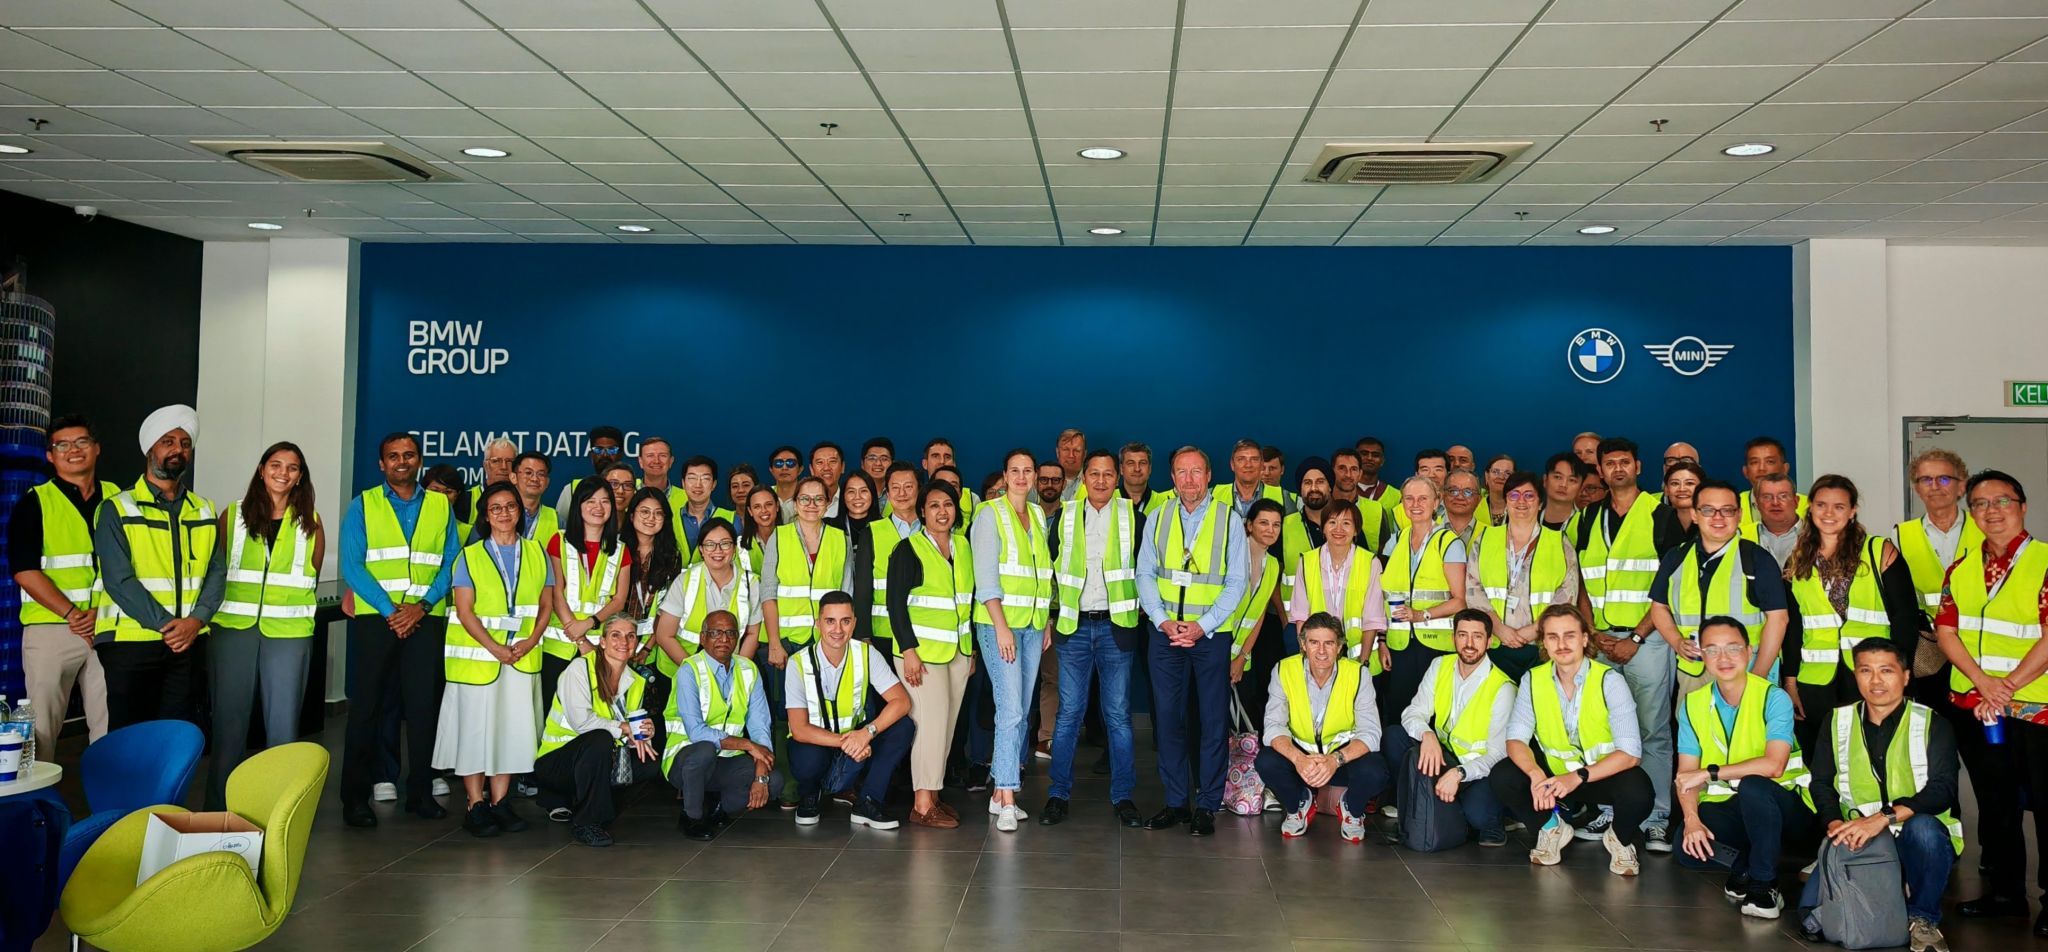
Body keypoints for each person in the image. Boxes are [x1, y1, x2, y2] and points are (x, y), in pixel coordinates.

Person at [1645, 478, 1791, 852]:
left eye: (1727, 510)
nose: (1718, 517)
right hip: (1695, 674)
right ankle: (1697, 822)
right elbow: (1658, 607)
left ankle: (1756, 829)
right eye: (1708, 510)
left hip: (1748, 673)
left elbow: (1778, 619)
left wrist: (1758, 676)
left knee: (1752, 750)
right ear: (1694, 514)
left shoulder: (1755, 559)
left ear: (1740, 515)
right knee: (1696, 747)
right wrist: (1675, 640)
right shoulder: (1677, 557)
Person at [1932, 469, 2048, 929]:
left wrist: (2006, 687)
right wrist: (1983, 683)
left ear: (2022, 506)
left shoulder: (2043, 561)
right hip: (1976, 707)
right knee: (1995, 803)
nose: (1991, 511)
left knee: (2046, 804)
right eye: (1980, 503)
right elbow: (1946, 632)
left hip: (2036, 709)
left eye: (2002, 501)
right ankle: (2005, 892)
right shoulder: (1961, 568)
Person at [1798, 638, 1960, 952]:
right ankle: (1892, 890)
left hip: (1912, 833)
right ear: (1855, 675)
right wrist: (1835, 825)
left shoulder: (1932, 723)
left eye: (1886, 670)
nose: (1875, 681)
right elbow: (1821, 783)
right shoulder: (1837, 721)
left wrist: (1883, 819)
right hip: (1858, 836)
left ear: (1906, 676)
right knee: (1812, 921)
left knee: (1925, 830)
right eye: (1865, 671)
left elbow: (1943, 790)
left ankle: (1923, 917)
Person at [338, 431, 459, 827]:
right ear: (382, 464)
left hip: (425, 617)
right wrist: (393, 610)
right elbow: (353, 565)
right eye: (393, 456)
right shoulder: (363, 504)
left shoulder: (439, 505)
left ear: (419, 460)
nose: (402, 461)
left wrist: (420, 608)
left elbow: (452, 561)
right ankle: (355, 799)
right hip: (378, 618)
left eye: (409, 455)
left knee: (424, 708)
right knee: (367, 709)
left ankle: (420, 793)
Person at [1490, 604, 1653, 876]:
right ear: (1543, 642)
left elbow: (1630, 754)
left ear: (1585, 639)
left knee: (1639, 792)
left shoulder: (1609, 681)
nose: (1562, 644)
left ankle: (1619, 839)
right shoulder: (1533, 679)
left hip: (1598, 776)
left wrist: (1577, 777)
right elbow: (1516, 739)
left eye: (1569, 635)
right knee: (1503, 775)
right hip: (1553, 776)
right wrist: (1535, 775)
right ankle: (1551, 828)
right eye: (1552, 636)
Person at [1137, 445, 1248, 837]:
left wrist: (1203, 625)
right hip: (1166, 634)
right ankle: (1175, 802)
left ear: (1209, 476)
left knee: (1213, 721)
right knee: (1168, 720)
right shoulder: (1158, 516)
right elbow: (1144, 574)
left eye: (1196, 471)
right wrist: (1163, 621)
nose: (1189, 479)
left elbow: (1237, 581)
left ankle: (1207, 805)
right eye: (1181, 472)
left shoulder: (1229, 519)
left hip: (1210, 636)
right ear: (1172, 478)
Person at [207, 441, 324, 810]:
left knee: (283, 728)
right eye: (275, 464)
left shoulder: (311, 521)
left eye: (292, 467)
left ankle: (278, 812)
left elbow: (312, 575)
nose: (283, 473)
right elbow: (215, 571)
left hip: (289, 633)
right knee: (228, 725)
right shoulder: (232, 515)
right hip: (233, 630)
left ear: (300, 476)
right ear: (261, 470)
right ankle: (219, 811)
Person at [1673, 617, 1813, 921]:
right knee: (1686, 846)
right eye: (1712, 650)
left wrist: (1709, 773)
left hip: (1787, 808)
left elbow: (1775, 765)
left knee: (1753, 786)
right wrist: (1692, 820)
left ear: (1749, 651)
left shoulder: (1773, 697)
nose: (1723, 658)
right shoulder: (1693, 704)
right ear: (1702, 655)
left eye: (1733, 648)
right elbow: (1685, 777)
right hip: (1736, 807)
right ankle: (1749, 861)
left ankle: (1764, 885)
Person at [93, 405, 223, 730]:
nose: (178, 449)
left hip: (189, 643)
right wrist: (168, 625)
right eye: (168, 441)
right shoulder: (117, 508)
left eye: (185, 443)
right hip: (130, 643)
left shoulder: (204, 509)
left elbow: (217, 572)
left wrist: (196, 621)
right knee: (130, 738)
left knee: (176, 736)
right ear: (150, 449)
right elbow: (118, 580)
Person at [439, 480, 554, 838]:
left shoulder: (537, 553)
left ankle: (501, 801)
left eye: (510, 506)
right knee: (475, 732)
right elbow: (465, 610)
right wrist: (494, 647)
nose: (504, 513)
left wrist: (531, 640)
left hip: (521, 658)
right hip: (478, 662)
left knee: (510, 730)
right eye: (496, 508)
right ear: (486, 516)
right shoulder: (470, 556)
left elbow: (546, 604)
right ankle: (475, 804)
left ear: (520, 511)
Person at [1042, 449, 1145, 827]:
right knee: (1069, 714)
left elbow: (1145, 570)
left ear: (1117, 479)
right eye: (1094, 474)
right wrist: (1049, 617)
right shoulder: (1065, 516)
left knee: (1118, 715)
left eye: (1108, 474)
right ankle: (1057, 795)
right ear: (1083, 478)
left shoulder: (1134, 517)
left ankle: (1123, 796)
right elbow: (1049, 571)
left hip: (1117, 626)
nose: (1101, 480)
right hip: (1074, 627)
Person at [1783, 474, 1922, 752]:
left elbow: (1905, 617)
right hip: (1815, 679)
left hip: (1873, 675)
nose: (1829, 513)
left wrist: (1901, 673)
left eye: (1839, 506)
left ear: (1852, 511)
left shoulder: (1879, 551)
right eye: (1821, 505)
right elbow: (1793, 627)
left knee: (1873, 752)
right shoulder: (1797, 560)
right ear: (1810, 508)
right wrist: (1790, 681)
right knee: (1822, 754)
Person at [1579, 437, 1672, 851]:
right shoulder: (1588, 516)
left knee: (1651, 731)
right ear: (1600, 471)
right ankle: (1610, 809)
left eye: (1624, 462)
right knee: (1605, 732)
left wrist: (1636, 636)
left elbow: (1669, 584)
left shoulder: (1660, 514)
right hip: (1600, 641)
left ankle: (1656, 818)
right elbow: (1583, 582)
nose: (1617, 468)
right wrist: (1591, 633)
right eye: (1610, 463)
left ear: (1638, 467)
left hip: (1647, 641)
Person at [11, 415, 115, 760]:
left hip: (108, 627)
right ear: (50, 456)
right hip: (51, 630)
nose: (74, 450)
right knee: (40, 731)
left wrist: (99, 613)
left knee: (112, 727)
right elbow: (25, 571)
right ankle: (39, 796)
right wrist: (73, 614)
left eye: (82, 442)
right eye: (63, 445)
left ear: (96, 449)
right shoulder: (35, 502)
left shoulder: (119, 499)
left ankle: (112, 795)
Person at [972, 449, 1055, 832]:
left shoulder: (1036, 514)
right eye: (1015, 471)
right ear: (1004, 476)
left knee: (1021, 710)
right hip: (999, 625)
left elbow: (1042, 573)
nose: (1022, 477)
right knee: (1009, 711)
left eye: (1027, 471)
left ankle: (997, 795)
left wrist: (1046, 619)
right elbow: (986, 576)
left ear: (1035, 476)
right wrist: (1001, 626)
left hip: (1033, 625)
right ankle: (1007, 795)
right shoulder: (989, 514)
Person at [886, 481, 975, 828]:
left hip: (957, 653)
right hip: (920, 655)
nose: (942, 511)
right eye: (934, 505)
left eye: (948, 504)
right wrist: (908, 651)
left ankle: (933, 795)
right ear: (922, 511)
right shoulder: (908, 549)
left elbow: (966, 602)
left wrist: (970, 651)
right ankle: (922, 805)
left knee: (947, 726)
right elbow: (895, 605)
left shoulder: (963, 546)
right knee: (930, 726)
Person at [786, 592, 914, 829]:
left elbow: (902, 701)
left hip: (857, 740)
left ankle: (868, 801)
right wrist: (848, 742)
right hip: (820, 744)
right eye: (830, 621)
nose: (838, 629)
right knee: (807, 759)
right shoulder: (797, 663)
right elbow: (799, 729)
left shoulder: (866, 653)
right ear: (818, 623)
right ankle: (810, 794)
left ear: (854, 623)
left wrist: (867, 733)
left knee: (903, 726)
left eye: (845, 621)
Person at [1257, 612, 1389, 842]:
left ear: (1339, 647)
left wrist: (1335, 760)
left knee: (1376, 771)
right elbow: (1273, 726)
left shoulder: (1358, 674)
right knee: (1266, 761)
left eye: (1329, 643)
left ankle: (1352, 810)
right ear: (1303, 645)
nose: (1321, 651)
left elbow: (1371, 733)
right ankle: (1299, 804)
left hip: (1341, 757)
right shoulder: (1283, 670)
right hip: (1302, 759)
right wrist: (1299, 759)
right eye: (1314, 642)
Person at [532, 614, 657, 847]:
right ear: (603, 641)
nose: (624, 642)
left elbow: (628, 731)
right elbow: (582, 722)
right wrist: (624, 728)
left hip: (598, 759)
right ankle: (586, 823)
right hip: (557, 763)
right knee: (599, 739)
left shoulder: (636, 681)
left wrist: (642, 734)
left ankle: (598, 805)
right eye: (616, 635)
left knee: (648, 761)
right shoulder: (580, 669)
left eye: (631, 636)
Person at [1398, 610, 1517, 848]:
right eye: (1462, 635)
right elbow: (1413, 712)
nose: (1469, 644)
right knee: (1394, 738)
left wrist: (1459, 773)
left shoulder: (1503, 687)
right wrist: (1427, 735)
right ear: (1453, 638)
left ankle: (1488, 821)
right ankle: (1417, 812)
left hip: (1478, 770)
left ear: (1489, 641)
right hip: (1443, 755)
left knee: (1479, 816)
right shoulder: (1440, 665)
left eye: (1477, 636)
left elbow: (1498, 754)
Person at [666, 609, 777, 840]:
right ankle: (692, 817)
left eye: (730, 633)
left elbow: (760, 726)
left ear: (738, 638)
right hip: (686, 760)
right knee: (705, 749)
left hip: (725, 760)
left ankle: (717, 806)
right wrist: (747, 745)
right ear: (702, 637)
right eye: (715, 633)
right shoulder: (689, 670)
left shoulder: (748, 669)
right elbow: (696, 732)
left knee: (774, 782)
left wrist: (761, 772)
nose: (724, 639)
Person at [1467, 471, 1580, 683]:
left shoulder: (1559, 542)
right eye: (1514, 495)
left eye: (1529, 495)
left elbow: (1567, 594)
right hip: (1495, 643)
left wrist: (1534, 630)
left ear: (1540, 503)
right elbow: (1473, 588)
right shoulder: (1485, 539)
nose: (1521, 501)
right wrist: (1498, 628)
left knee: (1538, 700)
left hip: (1543, 645)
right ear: (1506, 501)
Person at [1381, 476, 1469, 740]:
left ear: (1436, 502)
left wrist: (1422, 615)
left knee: (1431, 715)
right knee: (1398, 713)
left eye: (1423, 498)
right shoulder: (1396, 540)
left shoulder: (1449, 543)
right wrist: (1382, 641)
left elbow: (1460, 600)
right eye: (1409, 498)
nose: (1415, 504)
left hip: (1435, 647)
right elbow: (1383, 596)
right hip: (1399, 645)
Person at [1894, 449, 1980, 711]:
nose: (1934, 486)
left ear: (1961, 485)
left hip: (1976, 644)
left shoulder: (1985, 529)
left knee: (1978, 724)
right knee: (1933, 721)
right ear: (1917, 489)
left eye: (1943, 479)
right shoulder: (1900, 535)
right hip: (1929, 649)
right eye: (1925, 480)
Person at [542, 477, 631, 712]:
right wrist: (579, 638)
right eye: (590, 501)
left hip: (600, 648)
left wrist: (589, 624)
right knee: (553, 711)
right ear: (578, 506)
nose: (598, 507)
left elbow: (619, 600)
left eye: (605, 501)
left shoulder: (621, 550)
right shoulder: (559, 541)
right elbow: (556, 592)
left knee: (593, 713)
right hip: (558, 646)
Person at [761, 476, 854, 670]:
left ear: (827, 504)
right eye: (804, 499)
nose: (811, 504)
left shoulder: (841, 539)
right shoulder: (778, 536)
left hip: (828, 640)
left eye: (819, 499)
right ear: (795, 504)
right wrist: (774, 643)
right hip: (786, 642)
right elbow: (768, 594)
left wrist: (842, 641)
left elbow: (847, 593)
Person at [653, 518, 762, 680]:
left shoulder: (751, 583)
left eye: (725, 544)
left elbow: (753, 634)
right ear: (701, 550)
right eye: (710, 544)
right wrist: (700, 675)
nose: (718, 550)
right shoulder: (685, 580)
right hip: (679, 670)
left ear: (734, 548)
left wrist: (734, 673)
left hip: (729, 673)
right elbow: (664, 635)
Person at [1289, 499, 1387, 669]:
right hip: (1318, 657)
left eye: (1346, 523)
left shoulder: (1370, 563)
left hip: (1358, 658)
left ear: (1356, 530)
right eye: (1332, 522)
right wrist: (1307, 657)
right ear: (1323, 528)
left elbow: (1373, 617)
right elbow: (1301, 615)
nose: (1338, 529)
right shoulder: (1307, 561)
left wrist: (1363, 664)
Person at [1226, 499, 1287, 723]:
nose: (1270, 529)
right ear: (1250, 525)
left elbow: (1259, 614)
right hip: (1215, 649)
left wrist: (1242, 657)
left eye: (1276, 524)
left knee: (1243, 715)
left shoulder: (1273, 565)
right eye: (1264, 523)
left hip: (1242, 654)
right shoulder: (1230, 555)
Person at [858, 463, 923, 660]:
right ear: (887, 492)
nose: (902, 493)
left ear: (920, 489)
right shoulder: (872, 532)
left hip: (924, 632)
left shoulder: (932, 530)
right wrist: (863, 635)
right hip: (883, 634)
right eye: (895, 487)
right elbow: (863, 588)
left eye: (908, 487)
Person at [550, 425, 628, 516]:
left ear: (621, 454)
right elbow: (562, 523)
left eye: (611, 450)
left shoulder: (633, 488)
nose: (605, 455)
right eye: (598, 450)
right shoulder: (572, 490)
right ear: (591, 455)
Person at [1740, 437, 1809, 534]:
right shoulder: (1733, 504)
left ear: (1785, 469)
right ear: (1745, 471)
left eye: (1770, 462)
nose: (1761, 468)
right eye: (1754, 462)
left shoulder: (1808, 505)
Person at [1215, 438, 1287, 517]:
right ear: (1232, 464)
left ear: (1261, 464)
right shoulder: (1213, 494)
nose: (1248, 465)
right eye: (1241, 459)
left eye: (1254, 459)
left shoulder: (1284, 498)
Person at [675, 455, 732, 553]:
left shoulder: (732, 519)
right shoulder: (669, 518)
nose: (698, 485)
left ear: (714, 484)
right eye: (692, 478)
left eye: (705, 478)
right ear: (683, 483)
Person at [1749, 473, 1805, 567]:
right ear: (1757, 503)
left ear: (1796, 501)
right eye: (1767, 497)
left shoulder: (1818, 535)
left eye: (1783, 496)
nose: (1775, 503)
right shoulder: (1740, 536)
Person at [1655, 460, 1705, 554]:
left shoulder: (1714, 520)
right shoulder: (1654, 520)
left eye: (1689, 483)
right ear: (1666, 489)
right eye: (1675, 483)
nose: (1682, 489)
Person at [512, 451, 559, 544]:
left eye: (541, 474)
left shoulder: (557, 520)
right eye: (528, 473)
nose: (534, 479)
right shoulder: (499, 514)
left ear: (547, 482)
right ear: (513, 477)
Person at [1540, 452, 1589, 539]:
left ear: (1581, 487)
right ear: (1545, 480)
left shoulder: (1586, 525)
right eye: (1558, 477)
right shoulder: (1527, 518)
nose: (1563, 485)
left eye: (1572, 480)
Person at [1119, 441, 1169, 518]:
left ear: (1150, 469)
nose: (1137, 469)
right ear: (1121, 469)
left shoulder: (1165, 503)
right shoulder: (1108, 499)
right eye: (1131, 463)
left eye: (1142, 463)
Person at [1352, 437, 1400, 518]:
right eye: (1364, 454)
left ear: (1382, 461)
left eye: (1375, 455)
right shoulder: (1343, 490)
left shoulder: (1396, 496)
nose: (1369, 458)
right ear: (1354, 458)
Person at [469, 438, 517, 517]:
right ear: (485, 465)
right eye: (496, 461)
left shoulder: (524, 498)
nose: (504, 467)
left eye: (509, 461)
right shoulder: (466, 500)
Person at [739, 485, 781, 572]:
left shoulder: (793, 538)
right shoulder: (740, 545)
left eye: (768, 504)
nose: (763, 510)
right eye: (757, 507)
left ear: (777, 506)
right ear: (750, 511)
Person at [1442, 470, 1485, 551]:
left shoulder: (1490, 533)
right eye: (1453, 491)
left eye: (1468, 492)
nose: (1460, 497)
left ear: (1479, 499)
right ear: (1443, 495)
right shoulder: (1429, 529)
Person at [810, 441, 846, 516]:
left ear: (842, 467)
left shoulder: (851, 501)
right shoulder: (800, 502)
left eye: (832, 461)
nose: (826, 468)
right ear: (811, 469)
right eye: (820, 462)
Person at [767, 445, 803, 518]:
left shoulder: (809, 496)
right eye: (778, 464)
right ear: (771, 470)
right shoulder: (765, 495)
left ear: (800, 470)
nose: (784, 468)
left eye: (790, 463)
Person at [1479, 454, 1514, 526]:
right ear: (1487, 476)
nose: (1501, 477)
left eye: (1507, 473)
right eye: (1495, 472)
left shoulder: (1521, 508)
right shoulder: (1474, 506)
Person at [1054, 427, 1086, 502]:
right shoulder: (1041, 481)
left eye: (1077, 450)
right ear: (1057, 452)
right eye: (1066, 449)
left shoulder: (1095, 481)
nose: (1071, 455)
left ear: (1084, 454)